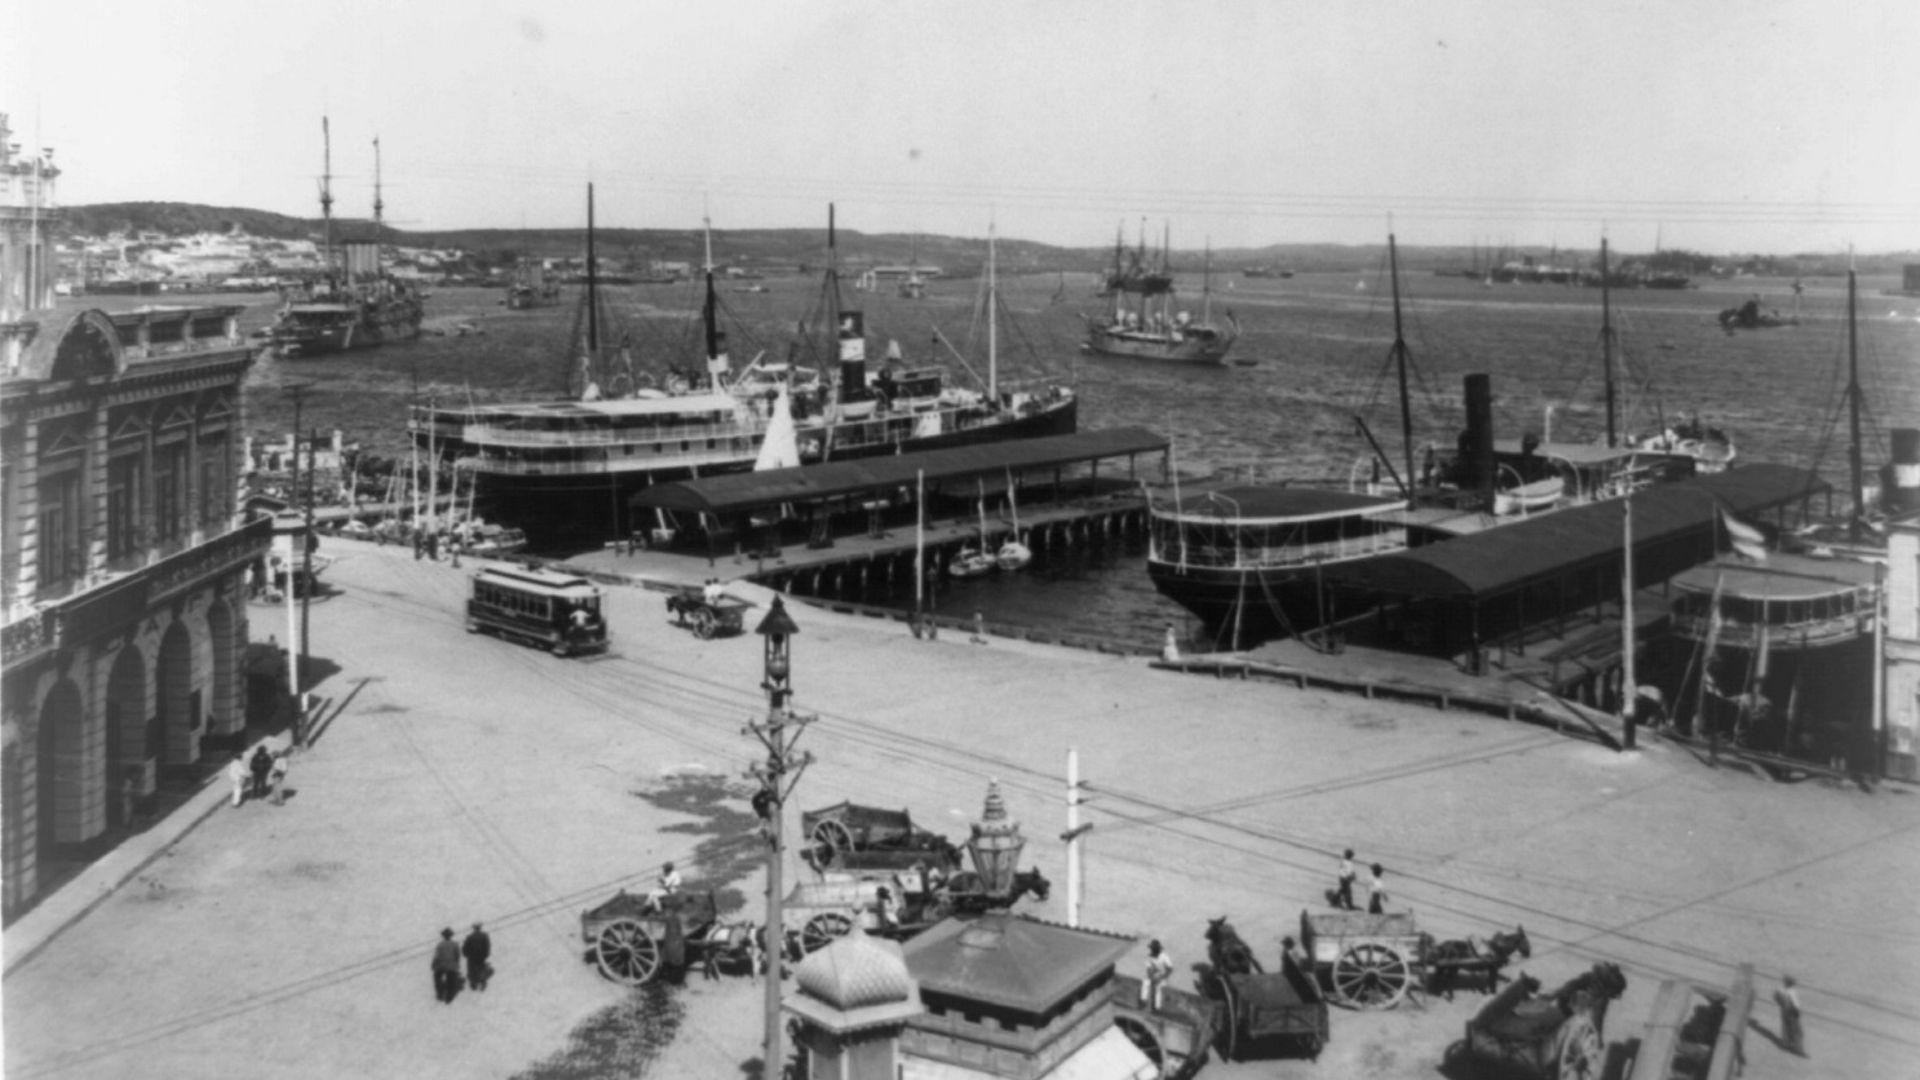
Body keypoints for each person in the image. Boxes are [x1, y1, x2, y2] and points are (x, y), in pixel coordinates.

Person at [1775, 974, 1804, 1055]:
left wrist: (1782, 1004)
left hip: (1784, 1010)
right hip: (1792, 1011)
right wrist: (1797, 1011)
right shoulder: (1791, 991)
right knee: (1797, 1031)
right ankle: (1798, 1049)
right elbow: (1796, 1004)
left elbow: (1776, 997)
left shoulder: (1780, 989)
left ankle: (1786, 1044)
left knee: (1786, 1027)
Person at [432, 928, 463, 1003]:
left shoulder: (440, 945)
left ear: (443, 936)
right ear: (451, 936)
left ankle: (440, 993)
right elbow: (457, 956)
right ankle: (449, 996)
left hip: (441, 966)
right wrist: (457, 965)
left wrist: (433, 964)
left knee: (437, 978)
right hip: (452, 966)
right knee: (452, 980)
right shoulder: (455, 944)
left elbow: (437, 956)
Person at [1142, 939, 1173, 1012]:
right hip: (1152, 976)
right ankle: (1144, 1001)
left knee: (1158, 988)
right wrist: (1152, 978)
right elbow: (1148, 969)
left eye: (1154, 949)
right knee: (1146, 982)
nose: (1152, 950)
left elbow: (1170, 969)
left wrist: (1161, 977)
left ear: (1158, 949)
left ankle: (1157, 1008)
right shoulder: (1149, 957)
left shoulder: (1164, 956)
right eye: (1152, 949)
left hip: (1162, 977)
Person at [463, 923, 493, 992]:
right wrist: (486, 954)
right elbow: (487, 945)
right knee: (481, 969)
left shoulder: (470, 937)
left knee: (471, 970)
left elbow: (465, 948)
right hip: (481, 956)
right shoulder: (484, 936)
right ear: (480, 928)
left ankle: (474, 984)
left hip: (471, 957)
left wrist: (466, 955)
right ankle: (482, 982)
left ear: (474, 928)